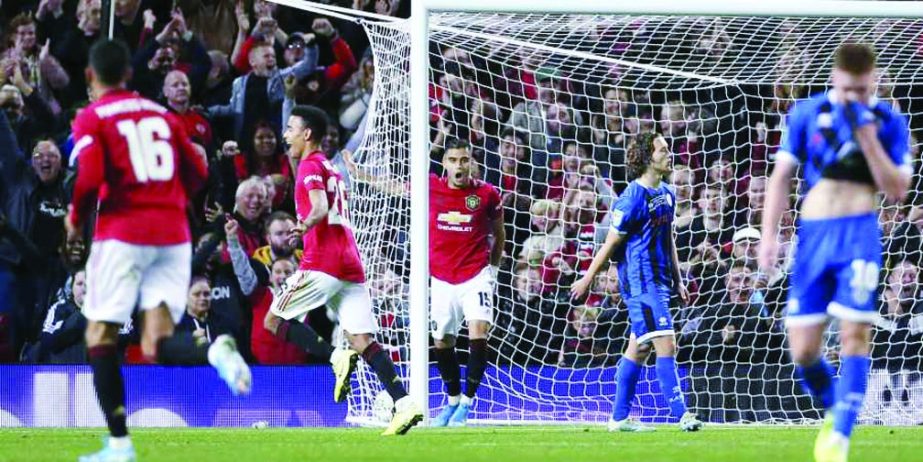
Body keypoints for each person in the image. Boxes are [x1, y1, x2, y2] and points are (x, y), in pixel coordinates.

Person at [66, 39, 250, 462]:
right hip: (172, 234)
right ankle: (215, 350)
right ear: (129, 76)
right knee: (157, 343)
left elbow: (89, 176)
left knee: (99, 333)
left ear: (92, 78)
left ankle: (119, 444)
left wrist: (74, 219)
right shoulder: (164, 117)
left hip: (123, 234)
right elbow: (199, 169)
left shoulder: (93, 116)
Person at [759, 43, 911, 462]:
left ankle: (839, 440)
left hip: (859, 234)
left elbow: (897, 190)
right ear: (834, 80)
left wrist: (866, 136)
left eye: (862, 90)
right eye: (847, 90)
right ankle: (836, 413)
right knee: (804, 351)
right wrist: (769, 236)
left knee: (854, 334)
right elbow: (780, 178)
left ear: (873, 82)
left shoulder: (888, 121)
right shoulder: (807, 113)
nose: (854, 98)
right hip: (812, 238)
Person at [266, 104, 422, 436]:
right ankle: (405, 403)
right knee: (363, 340)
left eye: (291, 128)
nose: (286, 135)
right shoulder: (330, 167)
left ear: (307, 134)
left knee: (274, 320)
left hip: (325, 259)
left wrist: (303, 224)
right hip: (351, 262)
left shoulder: (310, 164)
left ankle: (335, 356)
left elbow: (320, 206)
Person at [343, 138, 505, 427]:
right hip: (441, 278)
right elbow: (392, 186)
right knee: (442, 340)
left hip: (476, 275)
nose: (459, 166)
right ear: (445, 163)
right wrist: (359, 174)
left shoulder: (486, 194)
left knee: (478, 331)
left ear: (472, 162)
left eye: (464, 160)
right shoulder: (430, 186)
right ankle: (453, 399)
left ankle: (466, 404)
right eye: (454, 160)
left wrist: (492, 267)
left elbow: (499, 232)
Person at [571, 132, 703, 433]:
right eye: (663, 150)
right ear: (647, 158)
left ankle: (618, 419)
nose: (669, 154)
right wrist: (588, 278)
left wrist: (679, 278)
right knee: (666, 342)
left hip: (659, 281)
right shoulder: (631, 198)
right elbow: (610, 243)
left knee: (639, 349)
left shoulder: (667, 193)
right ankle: (682, 415)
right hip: (640, 283)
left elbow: (668, 237)